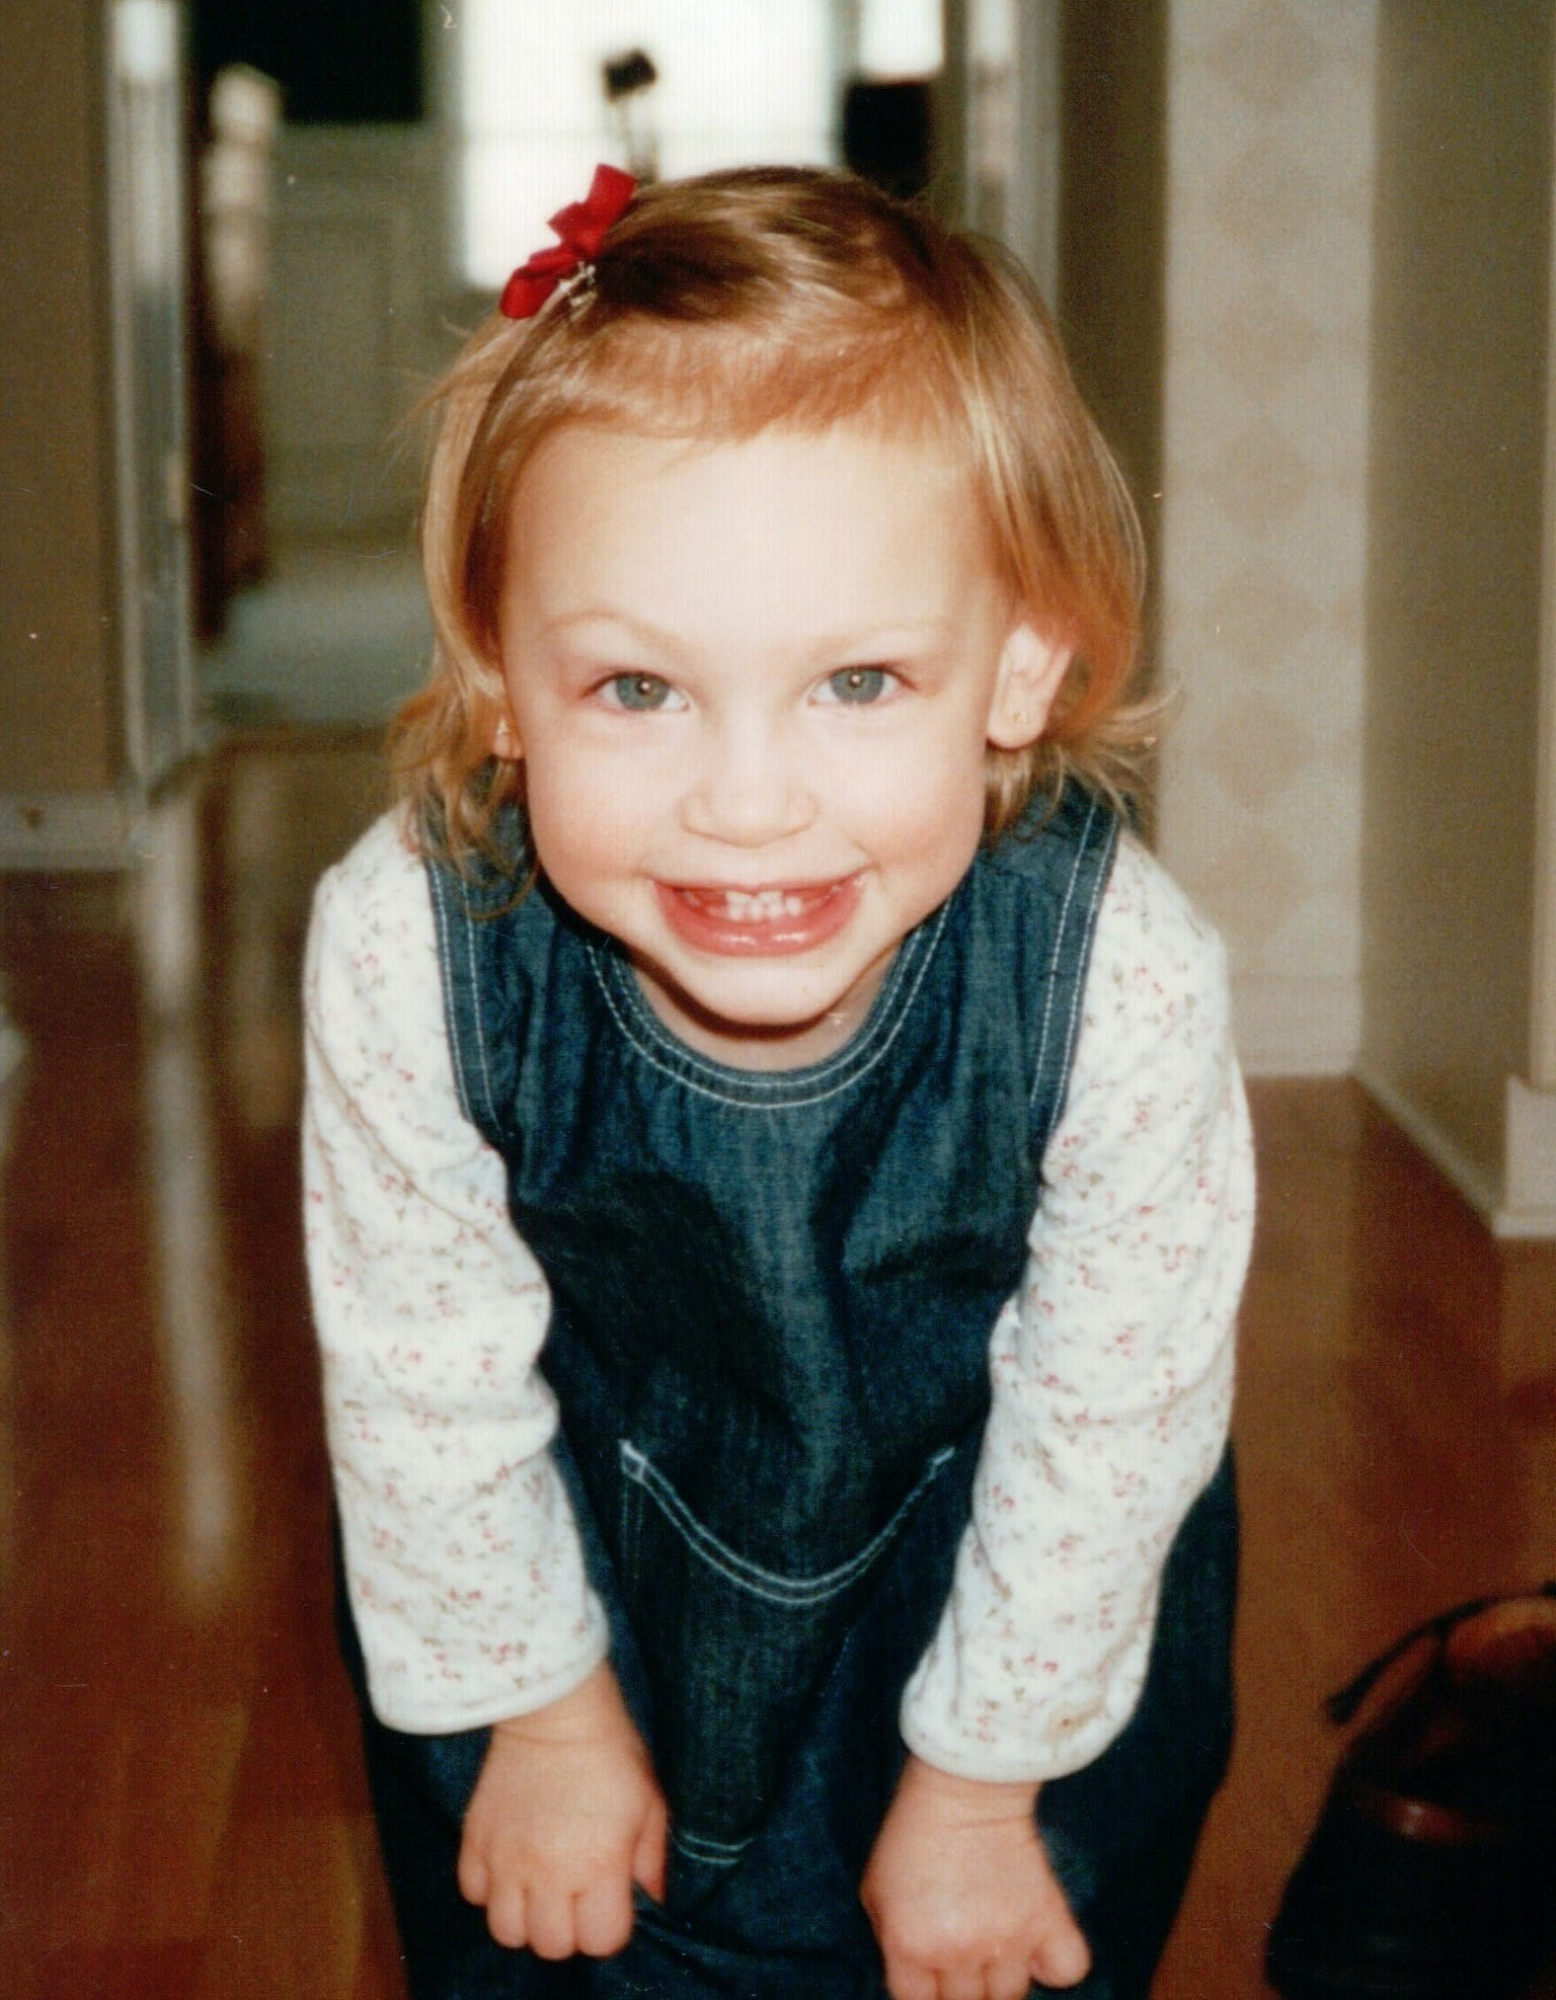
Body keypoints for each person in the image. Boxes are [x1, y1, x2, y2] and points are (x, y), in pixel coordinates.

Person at [303, 163, 1253, 2000]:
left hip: (1018, 1578)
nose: (749, 800)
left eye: (860, 681)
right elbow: (423, 1395)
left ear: (1019, 668)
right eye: (638, 692)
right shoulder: (405, 945)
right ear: (504, 679)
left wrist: (979, 1794)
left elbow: (1112, 1424)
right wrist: (545, 1718)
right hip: (560, 1579)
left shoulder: (1116, 971)